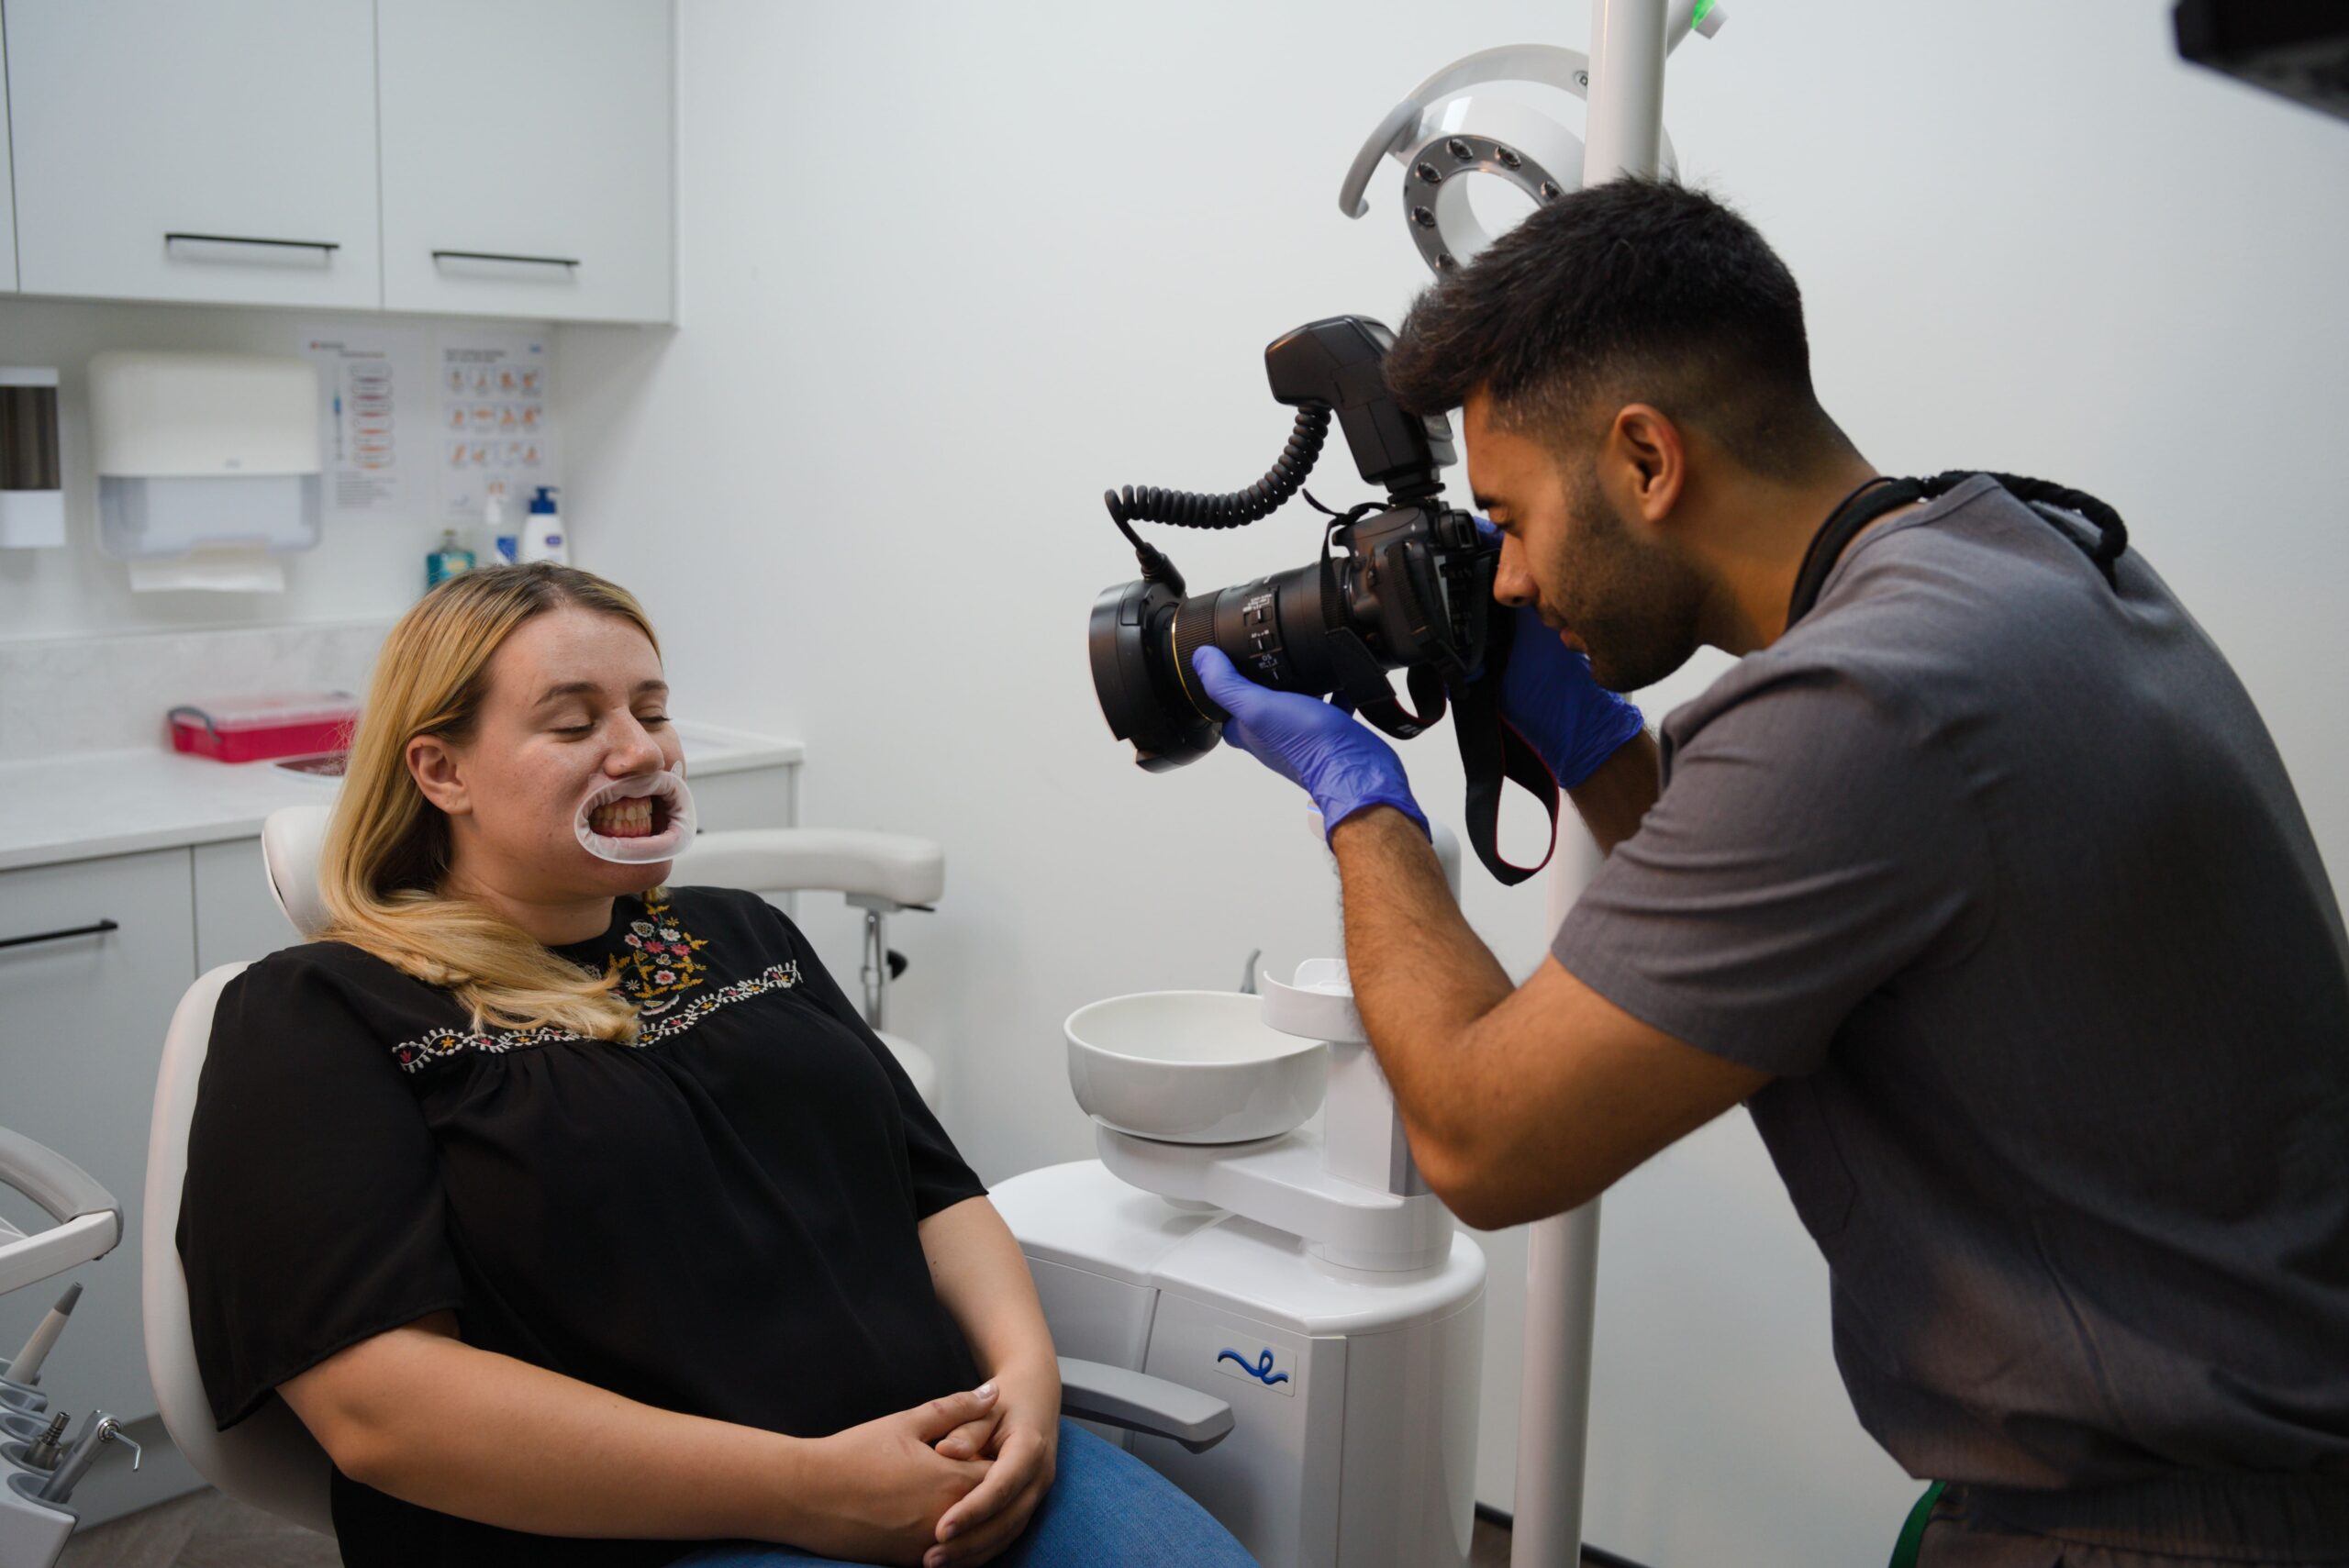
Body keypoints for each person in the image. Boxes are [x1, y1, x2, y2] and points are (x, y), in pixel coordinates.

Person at [1191, 179, 2349, 1566]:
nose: (1504, 580)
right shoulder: (2020, 555)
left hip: (2155, 1535)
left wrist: (1361, 803)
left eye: (1512, 516)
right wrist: (1601, 750)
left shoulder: (1859, 710)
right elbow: (1785, 904)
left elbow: (1479, 1141)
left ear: (1646, 459)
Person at [178, 563, 1257, 1568]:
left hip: (952, 1454)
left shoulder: (739, 932)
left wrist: (1025, 1385)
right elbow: (380, 1408)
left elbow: (934, 1190)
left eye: (651, 712)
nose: (639, 751)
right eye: (573, 722)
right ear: (441, 769)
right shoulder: (319, 1012)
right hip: (642, 1533)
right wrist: (812, 1488)